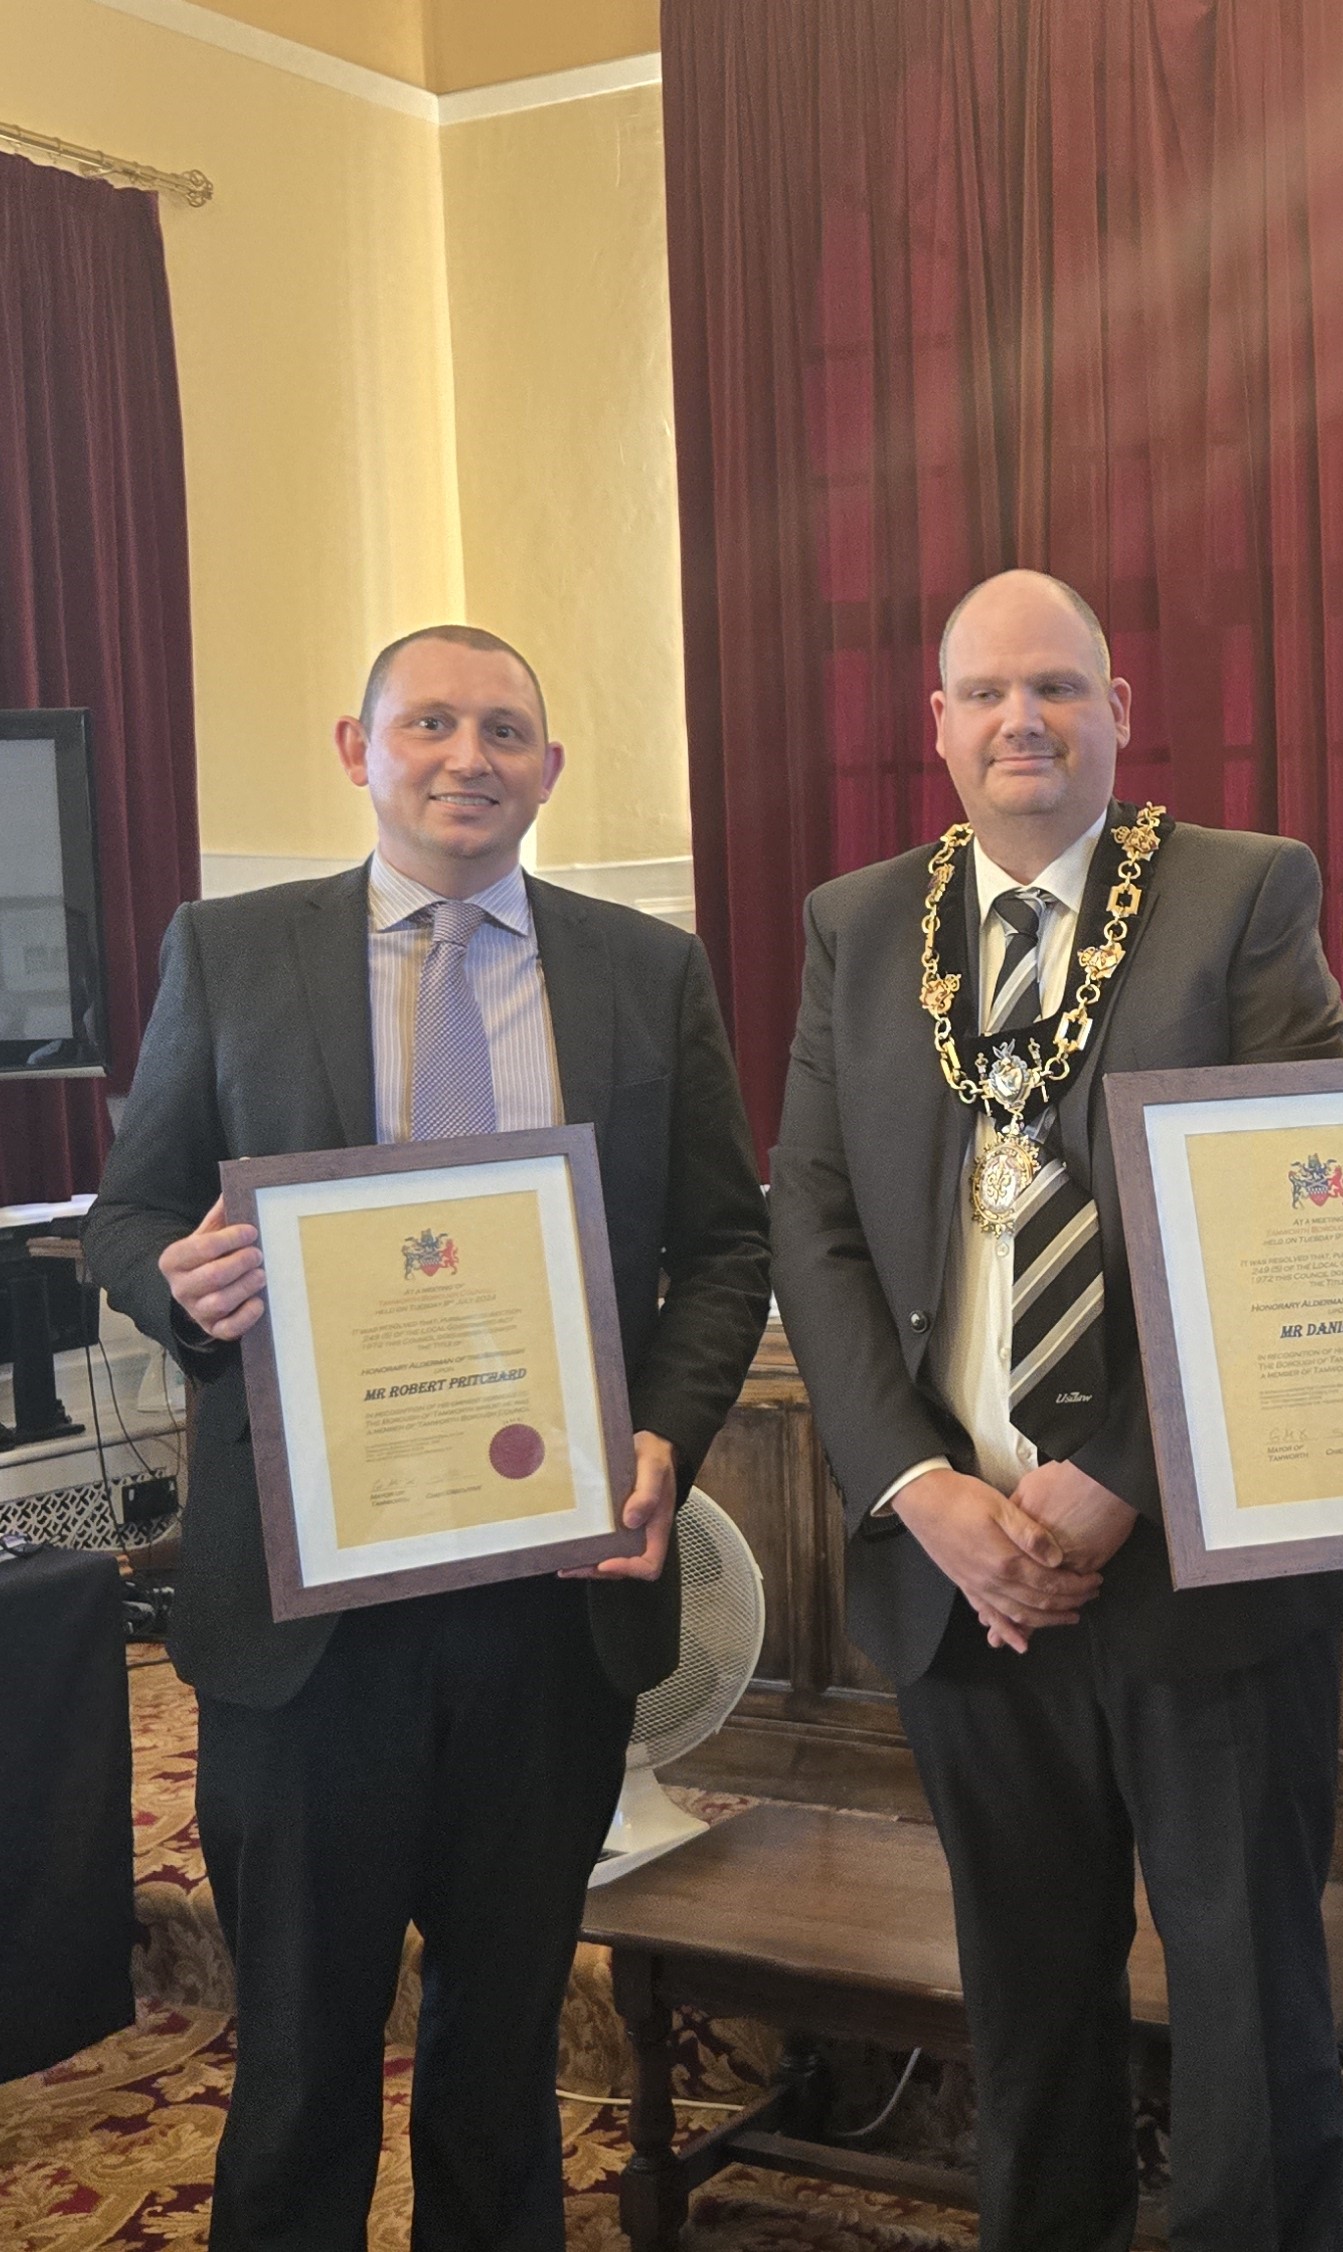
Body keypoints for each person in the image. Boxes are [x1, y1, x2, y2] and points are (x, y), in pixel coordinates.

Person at [83, 626, 772, 2252]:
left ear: (546, 764)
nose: (469, 754)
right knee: (303, 2071)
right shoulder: (231, 950)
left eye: (507, 729)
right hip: (306, 1624)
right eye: (432, 723)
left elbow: (725, 1249)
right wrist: (180, 1282)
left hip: (549, 1613)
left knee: (501, 2057)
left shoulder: (639, 969)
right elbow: (128, 1210)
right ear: (358, 746)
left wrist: (666, 1439)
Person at [770, 569, 1343, 2252]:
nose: (1023, 722)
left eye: (1059, 688)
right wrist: (921, 1487)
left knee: (1249, 2010)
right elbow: (812, 1223)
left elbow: (1289, 1211)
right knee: (1027, 2000)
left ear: (1121, 710)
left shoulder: (1238, 895)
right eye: (987, 693)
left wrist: (1114, 1475)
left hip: (1190, 1561)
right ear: (939, 726)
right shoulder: (855, 921)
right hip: (959, 1572)